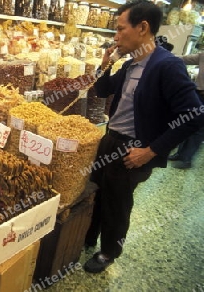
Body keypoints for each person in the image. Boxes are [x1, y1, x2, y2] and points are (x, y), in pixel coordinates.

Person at [83, 0, 204, 274]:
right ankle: (89, 236)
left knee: (118, 202)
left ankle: (108, 252)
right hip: (111, 138)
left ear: (143, 27)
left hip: (134, 150)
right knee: (97, 190)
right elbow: (102, 92)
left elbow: (195, 114)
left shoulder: (167, 66)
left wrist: (151, 151)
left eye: (120, 28)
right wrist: (104, 65)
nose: (115, 36)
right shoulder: (129, 65)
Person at [168, 52, 204, 169]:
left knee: (199, 129)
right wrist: (164, 55)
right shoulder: (202, 55)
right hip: (198, 94)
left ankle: (186, 158)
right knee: (186, 123)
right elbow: (184, 58)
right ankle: (180, 153)